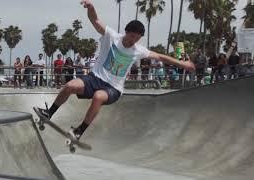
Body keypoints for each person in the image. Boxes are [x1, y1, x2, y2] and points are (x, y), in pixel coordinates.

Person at [33, 0, 195, 140]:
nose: (133, 41)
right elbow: (95, 20)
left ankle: (79, 131)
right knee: (69, 86)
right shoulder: (112, 36)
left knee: (98, 96)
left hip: (113, 89)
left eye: (137, 39)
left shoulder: (138, 50)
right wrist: (90, 7)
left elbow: (160, 57)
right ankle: (49, 113)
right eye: (132, 37)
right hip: (94, 79)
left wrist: (184, 65)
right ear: (126, 32)